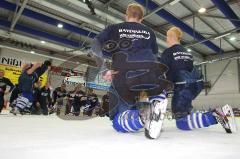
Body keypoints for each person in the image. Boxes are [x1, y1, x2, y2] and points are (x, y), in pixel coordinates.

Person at [91, 3, 170, 139]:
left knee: (118, 121)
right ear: (142, 19)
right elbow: (155, 57)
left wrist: (103, 69)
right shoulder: (150, 32)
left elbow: (94, 46)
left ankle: (143, 117)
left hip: (124, 75)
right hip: (150, 72)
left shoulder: (115, 28)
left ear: (125, 16)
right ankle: (157, 101)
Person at [160, 27, 236, 133]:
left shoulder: (168, 53)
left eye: (167, 37)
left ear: (171, 37)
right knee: (186, 110)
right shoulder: (186, 52)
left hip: (183, 86)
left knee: (181, 122)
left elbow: (163, 72)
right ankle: (192, 113)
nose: (166, 40)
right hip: (196, 85)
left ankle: (214, 115)